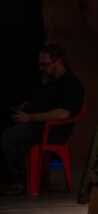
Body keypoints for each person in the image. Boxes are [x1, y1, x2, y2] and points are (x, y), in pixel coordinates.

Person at [1, 44, 85, 195]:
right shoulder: (47, 83)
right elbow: (39, 103)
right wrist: (25, 108)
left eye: (45, 64)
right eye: (40, 64)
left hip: (52, 131)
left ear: (58, 62)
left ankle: (21, 180)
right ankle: (7, 178)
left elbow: (63, 113)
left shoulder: (72, 85)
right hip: (36, 125)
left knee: (10, 136)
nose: (41, 68)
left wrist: (30, 117)